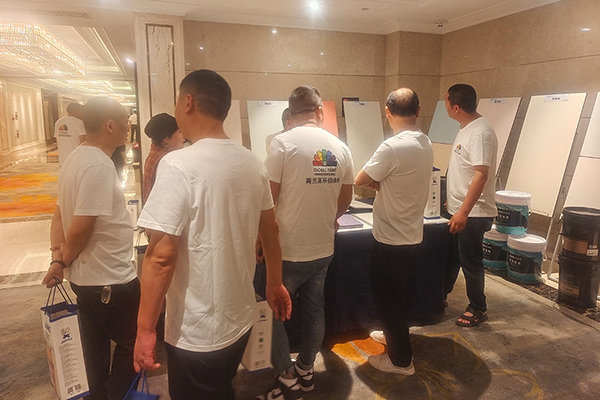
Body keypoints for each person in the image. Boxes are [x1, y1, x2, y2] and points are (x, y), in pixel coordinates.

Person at [133, 69, 292, 400]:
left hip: (196, 330)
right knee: (221, 388)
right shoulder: (253, 163)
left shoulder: (178, 165)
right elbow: (271, 230)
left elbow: (161, 256)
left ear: (188, 102)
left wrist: (145, 328)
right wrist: (275, 282)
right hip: (240, 319)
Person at [258, 85, 354, 400]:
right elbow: (345, 199)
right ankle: (306, 368)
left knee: (273, 309)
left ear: (291, 111)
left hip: (285, 251)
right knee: (315, 310)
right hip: (323, 249)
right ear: (319, 110)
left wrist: (259, 238)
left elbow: (267, 200)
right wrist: (329, 217)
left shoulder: (282, 144)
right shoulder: (340, 147)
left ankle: (286, 375)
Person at [42, 97, 140, 400]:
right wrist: (64, 259)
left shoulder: (74, 159)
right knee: (132, 344)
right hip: (110, 279)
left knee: (94, 350)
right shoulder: (98, 165)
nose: (128, 128)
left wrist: (58, 259)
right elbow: (80, 226)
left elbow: (58, 214)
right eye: (125, 122)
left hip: (87, 280)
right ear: (110, 125)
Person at [354, 88, 433, 376]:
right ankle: (393, 337)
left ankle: (401, 361)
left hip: (389, 238)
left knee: (389, 301)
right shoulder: (424, 142)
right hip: (412, 234)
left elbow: (360, 179)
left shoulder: (392, 147)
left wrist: (376, 182)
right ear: (418, 110)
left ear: (387, 112)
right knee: (398, 296)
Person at [443, 83, 498, 327]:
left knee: (470, 262)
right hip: (459, 208)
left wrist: (464, 211)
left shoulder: (480, 133)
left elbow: (480, 175)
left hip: (473, 213)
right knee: (452, 258)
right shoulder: (466, 127)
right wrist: (453, 200)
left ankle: (478, 307)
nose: (445, 106)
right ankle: (440, 295)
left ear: (456, 107)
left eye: (446, 102)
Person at [142, 113, 185, 203]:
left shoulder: (154, 155)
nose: (183, 137)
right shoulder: (165, 160)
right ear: (166, 138)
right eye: (179, 132)